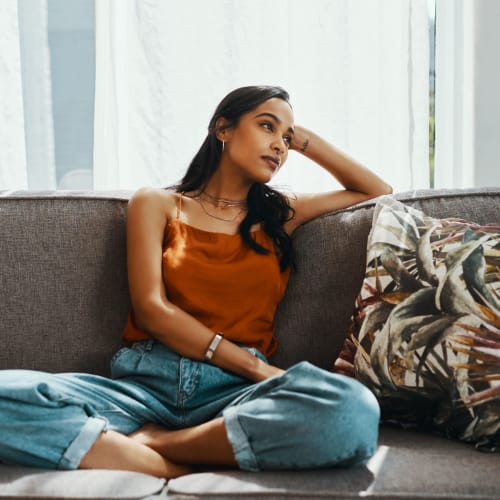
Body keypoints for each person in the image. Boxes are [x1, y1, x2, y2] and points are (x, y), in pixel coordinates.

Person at [0, 85, 392, 478]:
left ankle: (155, 447)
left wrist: (303, 139)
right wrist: (257, 370)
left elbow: (375, 190)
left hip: (235, 394)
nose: (279, 147)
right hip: (144, 389)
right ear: (223, 128)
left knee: (353, 410)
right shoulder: (157, 204)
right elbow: (152, 311)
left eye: (287, 139)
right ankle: (179, 462)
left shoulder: (281, 216)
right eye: (267, 127)